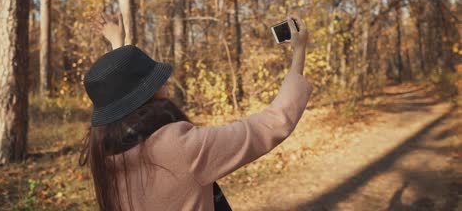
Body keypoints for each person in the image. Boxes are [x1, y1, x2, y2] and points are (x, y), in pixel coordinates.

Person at [79, 12, 314, 211]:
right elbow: (271, 124)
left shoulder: (102, 153)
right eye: (154, 80)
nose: (165, 81)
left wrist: (118, 45)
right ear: (142, 93)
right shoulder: (180, 149)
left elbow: (120, 98)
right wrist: (299, 52)